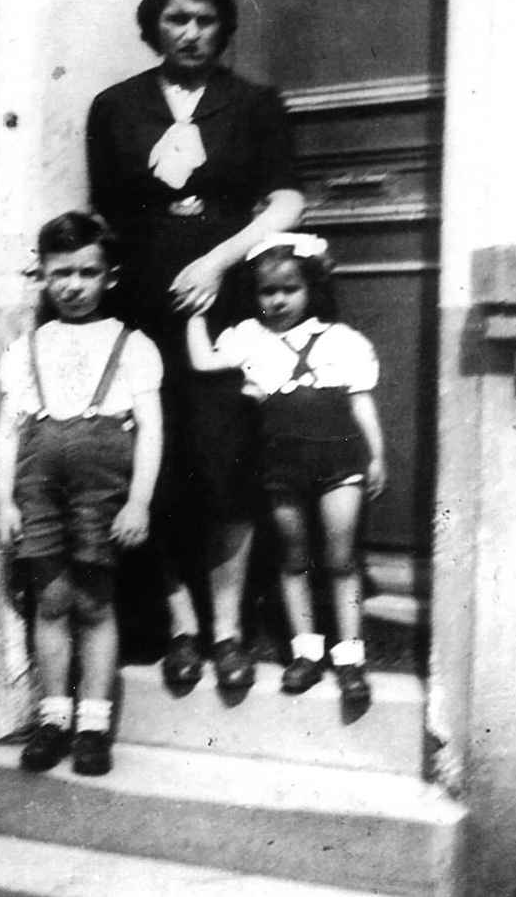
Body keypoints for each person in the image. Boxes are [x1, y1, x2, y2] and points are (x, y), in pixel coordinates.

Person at [87, 0, 303, 694]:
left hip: (228, 305)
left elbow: (284, 206)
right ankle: (180, 625)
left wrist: (218, 261)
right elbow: (106, 220)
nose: (191, 32)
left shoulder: (254, 105)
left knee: (226, 463)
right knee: (155, 460)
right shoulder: (114, 108)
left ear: (224, 28)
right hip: (142, 311)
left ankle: (231, 632)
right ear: (154, 25)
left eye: (206, 19)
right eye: (177, 18)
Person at [0, 212, 163, 775]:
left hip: (102, 489)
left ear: (109, 277)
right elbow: (8, 433)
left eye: (88, 273)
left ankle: (93, 724)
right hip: (38, 486)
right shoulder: (26, 349)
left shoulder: (131, 344)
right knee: (51, 601)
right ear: (42, 275)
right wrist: (5, 501)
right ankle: (53, 718)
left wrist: (139, 500)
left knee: (93, 602)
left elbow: (151, 430)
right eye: (61, 273)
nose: (74, 285)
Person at [187, 233, 387, 706]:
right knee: (292, 558)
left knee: (341, 560)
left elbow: (361, 403)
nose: (277, 301)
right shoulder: (248, 339)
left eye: (289, 289)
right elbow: (202, 360)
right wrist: (194, 315)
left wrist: (376, 455)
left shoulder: (343, 340)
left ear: (311, 289)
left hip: (341, 464)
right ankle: (305, 654)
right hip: (280, 467)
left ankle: (351, 658)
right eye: (266, 292)